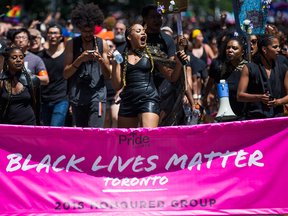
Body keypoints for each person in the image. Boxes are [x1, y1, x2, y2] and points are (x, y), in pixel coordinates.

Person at [108, 24, 187, 128]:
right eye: (138, 31)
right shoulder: (122, 57)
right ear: (129, 37)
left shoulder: (152, 54)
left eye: (143, 31)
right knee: (127, 139)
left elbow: (172, 77)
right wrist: (114, 63)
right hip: (128, 101)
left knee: (148, 136)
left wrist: (179, 64)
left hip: (149, 99)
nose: (143, 32)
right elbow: (117, 86)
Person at [63, 3, 110, 128]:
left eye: (91, 31)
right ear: (79, 29)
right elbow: (66, 74)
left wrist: (101, 61)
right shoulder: (71, 44)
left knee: (96, 131)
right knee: (82, 132)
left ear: (95, 28)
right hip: (78, 96)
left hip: (98, 95)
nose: (88, 34)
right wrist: (79, 60)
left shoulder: (102, 44)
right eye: (84, 31)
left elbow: (107, 75)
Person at [237, 34, 288, 119]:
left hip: (277, 119)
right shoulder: (249, 68)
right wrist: (260, 97)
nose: (279, 50)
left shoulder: (283, 68)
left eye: (279, 47)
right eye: (275, 47)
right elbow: (239, 96)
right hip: (255, 118)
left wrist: (278, 102)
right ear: (264, 49)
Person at [210, 36, 248, 121]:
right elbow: (217, 89)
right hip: (226, 116)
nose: (230, 50)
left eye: (234, 48)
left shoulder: (248, 68)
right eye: (228, 48)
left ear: (242, 52)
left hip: (245, 115)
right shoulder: (220, 69)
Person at [38, 24, 69, 126]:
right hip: (44, 100)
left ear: (61, 37)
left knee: (55, 128)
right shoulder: (40, 56)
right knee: (46, 131)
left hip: (61, 99)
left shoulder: (68, 55)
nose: (52, 36)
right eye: (50, 33)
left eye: (55, 33)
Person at [0, 47, 40, 125]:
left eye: (21, 57)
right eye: (14, 58)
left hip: (28, 124)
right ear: (7, 61)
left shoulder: (32, 80)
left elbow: (35, 105)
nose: (18, 60)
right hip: (6, 125)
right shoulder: (1, 81)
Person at [104, 39, 119, 128]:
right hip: (103, 95)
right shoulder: (101, 60)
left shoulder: (119, 59)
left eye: (110, 46)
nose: (108, 48)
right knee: (106, 120)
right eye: (106, 46)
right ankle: (106, 141)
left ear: (114, 47)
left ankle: (115, 140)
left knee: (115, 117)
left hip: (115, 94)